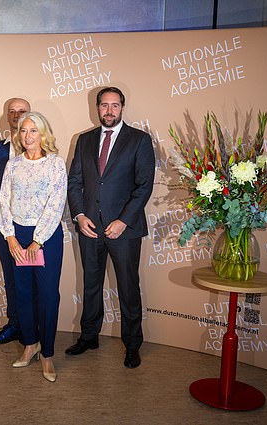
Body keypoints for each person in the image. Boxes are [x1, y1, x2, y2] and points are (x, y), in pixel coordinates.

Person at [66, 86, 155, 368]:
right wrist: (79, 216)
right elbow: (75, 182)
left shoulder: (139, 140)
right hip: (90, 228)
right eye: (104, 105)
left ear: (122, 107)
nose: (109, 110)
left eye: (114, 105)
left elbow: (144, 186)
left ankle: (132, 344)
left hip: (124, 230)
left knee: (128, 288)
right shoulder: (84, 140)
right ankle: (89, 336)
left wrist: (123, 220)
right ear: (97, 108)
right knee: (91, 285)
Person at [0, 111, 67, 382]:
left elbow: (56, 203)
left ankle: (47, 354)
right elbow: (4, 200)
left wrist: (38, 240)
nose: (27, 136)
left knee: (48, 296)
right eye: (24, 131)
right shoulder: (13, 164)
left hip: (46, 238)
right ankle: (30, 345)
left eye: (33, 131)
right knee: (23, 294)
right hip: (17, 235)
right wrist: (11, 237)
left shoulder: (55, 164)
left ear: (43, 134)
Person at [0, 98, 30, 345]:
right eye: (12, 112)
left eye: (21, 111)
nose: (16, 115)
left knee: (32, 280)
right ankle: (14, 325)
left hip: (32, 231)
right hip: (4, 229)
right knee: (11, 279)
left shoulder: (41, 150)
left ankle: (31, 329)